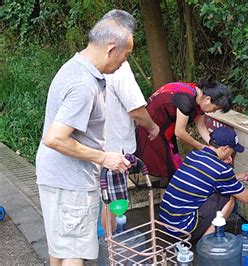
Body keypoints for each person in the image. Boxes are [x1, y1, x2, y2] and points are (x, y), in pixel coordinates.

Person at [35, 9, 135, 265]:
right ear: (112, 49)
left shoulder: (76, 68)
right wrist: (104, 157)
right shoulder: (84, 84)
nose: (124, 62)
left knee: (61, 245)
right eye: (126, 55)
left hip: (57, 177)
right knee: (74, 251)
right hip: (70, 182)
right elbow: (55, 138)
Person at [158, 127, 248, 242]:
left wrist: (243, 175)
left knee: (222, 190)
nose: (232, 154)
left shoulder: (194, 155)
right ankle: (205, 243)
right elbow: (246, 197)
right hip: (182, 229)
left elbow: (211, 179)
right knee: (230, 197)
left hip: (165, 223)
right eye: (232, 150)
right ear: (225, 148)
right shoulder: (221, 169)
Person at [99, 60, 160, 234]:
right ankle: (111, 249)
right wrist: (152, 127)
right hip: (114, 147)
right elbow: (136, 110)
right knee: (112, 203)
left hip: (96, 144)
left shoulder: (93, 64)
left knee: (101, 198)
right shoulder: (119, 67)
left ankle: (104, 243)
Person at [135, 77, 232, 181]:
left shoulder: (199, 96)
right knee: (168, 170)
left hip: (165, 129)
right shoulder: (187, 99)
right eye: (214, 109)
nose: (212, 112)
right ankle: (167, 195)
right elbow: (180, 132)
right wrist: (201, 147)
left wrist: (216, 148)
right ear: (208, 99)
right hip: (152, 129)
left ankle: (168, 194)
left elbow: (201, 126)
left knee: (171, 170)